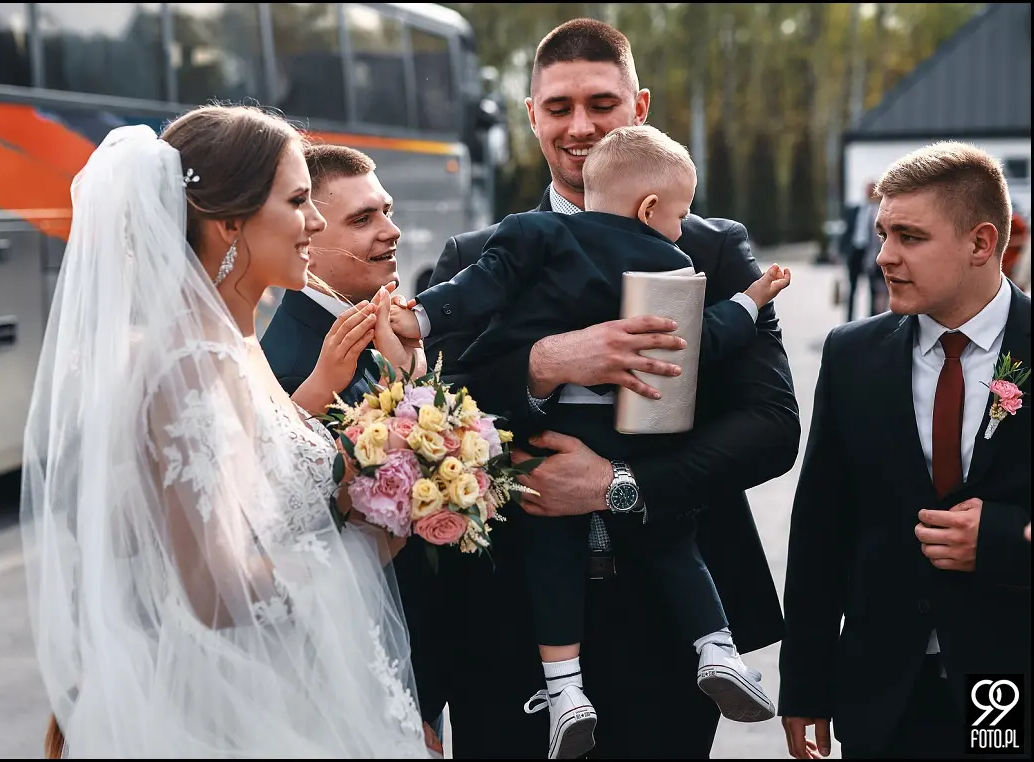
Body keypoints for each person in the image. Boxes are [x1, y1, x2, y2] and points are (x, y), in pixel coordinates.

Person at [427, 19, 799, 760]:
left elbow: (771, 427)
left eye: (601, 103)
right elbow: (434, 417)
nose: (580, 126)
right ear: (531, 115)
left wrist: (616, 485)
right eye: (558, 107)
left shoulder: (711, 247)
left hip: (670, 620)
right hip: (511, 620)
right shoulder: (478, 256)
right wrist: (543, 364)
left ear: (640, 107)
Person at [19, 105, 436, 758]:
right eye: (298, 201)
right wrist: (369, 540)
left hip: (283, 683)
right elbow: (213, 590)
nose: (316, 221)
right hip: (228, 715)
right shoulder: (192, 360)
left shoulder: (230, 341)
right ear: (229, 223)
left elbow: (260, 473)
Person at [780, 141, 1030, 760]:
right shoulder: (851, 355)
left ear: (981, 243)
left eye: (910, 237)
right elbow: (821, 528)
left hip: (1008, 678)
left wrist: (1002, 539)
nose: (884, 257)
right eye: (883, 234)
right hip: (884, 689)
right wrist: (806, 683)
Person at [260, 142, 446, 751]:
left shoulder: (370, 326)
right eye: (363, 219)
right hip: (362, 672)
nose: (391, 231)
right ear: (308, 233)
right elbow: (317, 550)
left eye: (387, 211)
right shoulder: (293, 365)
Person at [840, 181, 888, 322]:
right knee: (852, 288)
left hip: (871, 253)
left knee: (874, 289)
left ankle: (872, 320)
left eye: (872, 190)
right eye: (867, 190)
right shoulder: (855, 209)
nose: (869, 193)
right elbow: (847, 231)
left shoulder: (880, 210)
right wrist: (842, 252)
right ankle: (849, 320)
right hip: (856, 251)